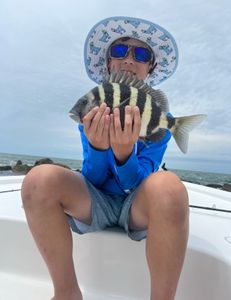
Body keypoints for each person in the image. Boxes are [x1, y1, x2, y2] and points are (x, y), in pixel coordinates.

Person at [21, 16, 189, 300]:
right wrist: (98, 148)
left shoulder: (162, 122)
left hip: (137, 206)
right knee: (39, 179)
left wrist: (124, 155)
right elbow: (94, 179)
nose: (129, 60)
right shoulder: (92, 113)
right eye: (120, 51)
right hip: (94, 202)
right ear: (109, 63)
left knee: (169, 187)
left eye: (141, 53)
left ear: (151, 67)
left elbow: (141, 181)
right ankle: (67, 293)